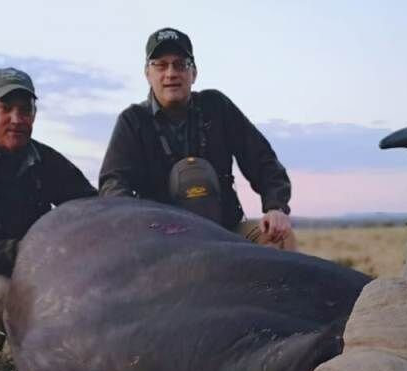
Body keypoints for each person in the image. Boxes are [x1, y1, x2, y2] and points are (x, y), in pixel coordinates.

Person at [0, 67, 96, 354]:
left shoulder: (47, 161)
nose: (16, 119)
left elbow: (89, 208)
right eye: (6, 108)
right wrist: (31, 248)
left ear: (34, 114)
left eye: (25, 110)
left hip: (38, 265)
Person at [99, 28, 296, 250]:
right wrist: (135, 220)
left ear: (194, 73)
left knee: (279, 238)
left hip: (225, 231)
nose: (171, 73)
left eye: (180, 64)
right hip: (161, 239)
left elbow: (263, 161)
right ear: (147, 73)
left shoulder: (217, 107)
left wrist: (276, 207)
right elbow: (112, 182)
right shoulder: (132, 121)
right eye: (161, 65)